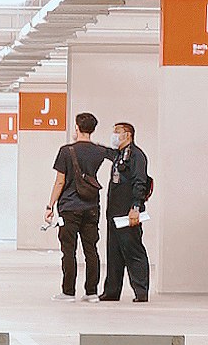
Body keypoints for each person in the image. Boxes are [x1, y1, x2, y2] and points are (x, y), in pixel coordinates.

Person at [44, 109, 109, 297]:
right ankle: (91, 292)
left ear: (77, 127)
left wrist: (50, 206)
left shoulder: (66, 151)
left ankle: (68, 291)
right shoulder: (99, 151)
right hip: (91, 207)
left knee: (69, 251)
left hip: (69, 208)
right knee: (91, 250)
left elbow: (60, 181)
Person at [100, 119, 154, 298]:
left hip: (128, 212)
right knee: (114, 253)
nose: (114, 135)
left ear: (127, 135)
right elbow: (104, 151)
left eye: (117, 132)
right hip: (114, 212)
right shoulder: (118, 155)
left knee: (133, 250)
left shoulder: (137, 156)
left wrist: (136, 207)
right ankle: (111, 292)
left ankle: (141, 291)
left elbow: (140, 182)